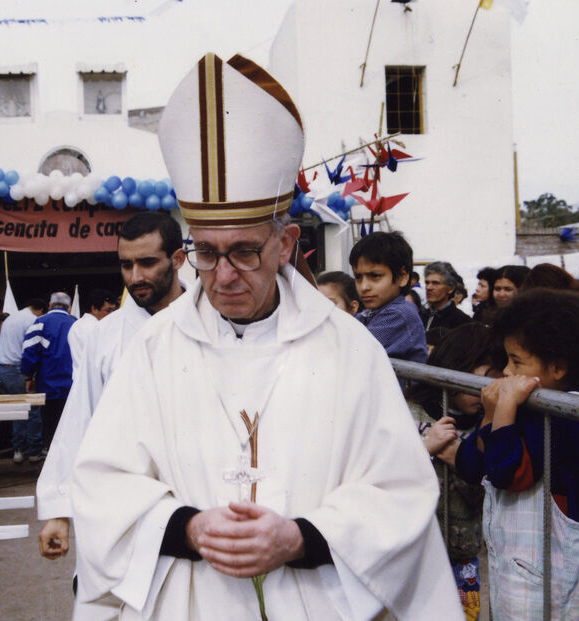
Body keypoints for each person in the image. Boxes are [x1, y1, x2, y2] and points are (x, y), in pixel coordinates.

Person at [72, 52, 461, 620]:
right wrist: (190, 527)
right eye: (207, 253)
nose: (224, 275)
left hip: (317, 600)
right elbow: (103, 485)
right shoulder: (154, 351)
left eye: (244, 251)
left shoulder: (349, 350)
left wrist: (300, 538)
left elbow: (398, 492)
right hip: (191, 599)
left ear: (286, 244)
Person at [37, 211, 186, 618]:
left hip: (194, 499)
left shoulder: (213, 323)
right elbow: (80, 420)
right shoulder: (105, 335)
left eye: (147, 263)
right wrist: (59, 510)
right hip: (120, 506)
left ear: (178, 259)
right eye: (126, 265)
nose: (135, 276)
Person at [453, 288, 579, 619]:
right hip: (519, 573)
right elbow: (471, 466)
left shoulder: (572, 415)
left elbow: (507, 474)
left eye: (516, 361)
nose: (506, 372)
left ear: (557, 367)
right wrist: (491, 413)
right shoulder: (526, 408)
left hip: (555, 582)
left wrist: (503, 409)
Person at [410, 323, 504, 621]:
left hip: (463, 553)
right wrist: (426, 448)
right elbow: (388, 472)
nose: (486, 392)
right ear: (454, 368)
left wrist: (461, 459)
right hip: (413, 552)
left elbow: (488, 493)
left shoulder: (488, 424)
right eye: (482, 379)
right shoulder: (411, 413)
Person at [349, 231, 427, 362]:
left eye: (375, 276)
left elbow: (350, 352)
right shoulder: (370, 313)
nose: (364, 287)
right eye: (358, 277)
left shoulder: (398, 314)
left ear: (402, 277)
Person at [0, 297, 46, 463]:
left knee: (18, 410)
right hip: (16, 369)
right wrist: (31, 376)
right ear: (40, 310)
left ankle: (18, 449)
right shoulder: (32, 320)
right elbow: (30, 349)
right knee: (31, 409)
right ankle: (33, 450)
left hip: (0, 368)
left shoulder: (12, 317)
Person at [21, 292, 77, 450]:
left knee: (50, 425)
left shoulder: (40, 323)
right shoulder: (76, 323)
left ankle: (50, 454)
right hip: (73, 385)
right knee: (69, 426)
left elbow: (29, 353)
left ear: (50, 305)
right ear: (69, 307)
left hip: (48, 385)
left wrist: (28, 377)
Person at [67, 288, 116, 379]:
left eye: (114, 310)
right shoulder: (98, 329)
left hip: (79, 380)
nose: (113, 314)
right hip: (95, 380)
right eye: (108, 310)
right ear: (94, 309)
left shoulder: (76, 325)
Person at [421, 261, 472, 336]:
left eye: (435, 283)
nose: (429, 287)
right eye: (427, 283)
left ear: (450, 288)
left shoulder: (463, 322)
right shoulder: (420, 315)